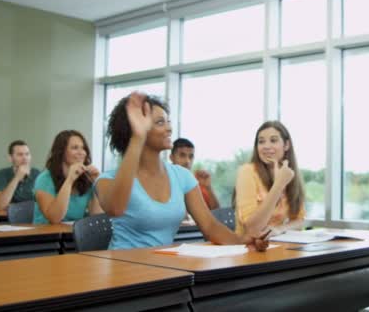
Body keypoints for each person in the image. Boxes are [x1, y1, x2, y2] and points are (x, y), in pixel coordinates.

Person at [95, 92, 267, 250]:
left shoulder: (182, 176)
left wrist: (243, 241)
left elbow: (209, 226)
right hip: (123, 267)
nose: (169, 128)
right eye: (160, 122)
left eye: (168, 121)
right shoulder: (107, 179)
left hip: (162, 268)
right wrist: (138, 138)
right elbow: (115, 209)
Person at [234, 121, 305, 238]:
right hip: (249, 247)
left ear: (286, 145)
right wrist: (279, 184)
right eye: (261, 141)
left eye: (273, 140)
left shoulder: (288, 173)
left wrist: (280, 229)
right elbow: (253, 228)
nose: (266, 146)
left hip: (277, 245)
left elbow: (299, 220)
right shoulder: (247, 171)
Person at [33, 130, 103, 224]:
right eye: (75, 148)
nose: (81, 152)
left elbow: (96, 215)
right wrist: (69, 180)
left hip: (74, 235)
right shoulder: (44, 179)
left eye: (83, 148)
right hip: (46, 236)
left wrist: (97, 183)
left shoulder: (86, 178)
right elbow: (55, 218)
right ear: (61, 152)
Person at [170, 138, 220, 210]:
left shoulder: (197, 182)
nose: (187, 161)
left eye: (191, 157)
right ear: (171, 158)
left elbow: (216, 211)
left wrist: (208, 188)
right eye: (182, 155)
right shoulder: (163, 180)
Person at [0, 140, 41, 210]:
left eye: (27, 154)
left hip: (33, 217)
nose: (25, 158)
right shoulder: (0, 175)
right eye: (20, 155)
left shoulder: (38, 174)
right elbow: (0, 205)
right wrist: (17, 178)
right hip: (8, 218)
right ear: (10, 158)